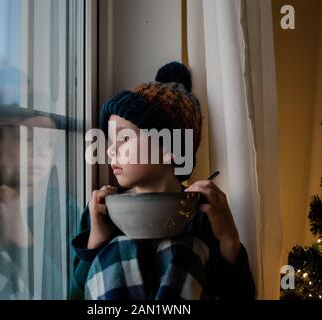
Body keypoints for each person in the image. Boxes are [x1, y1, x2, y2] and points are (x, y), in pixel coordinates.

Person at [70, 62, 256, 300]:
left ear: (172, 148)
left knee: (186, 250)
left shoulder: (202, 212)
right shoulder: (100, 210)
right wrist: (96, 240)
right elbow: (75, 295)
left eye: (124, 138)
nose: (110, 150)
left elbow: (238, 296)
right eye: (110, 140)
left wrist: (229, 239)